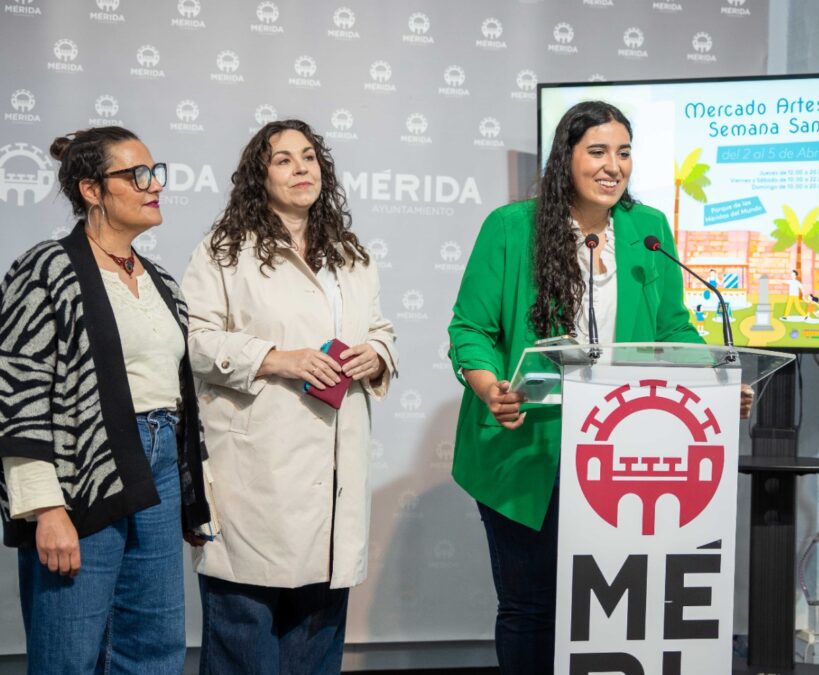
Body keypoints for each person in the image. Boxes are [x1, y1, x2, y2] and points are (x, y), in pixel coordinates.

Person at [447, 100, 751, 673]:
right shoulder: (511, 228)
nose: (614, 165)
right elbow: (471, 329)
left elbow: (671, 329)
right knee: (531, 606)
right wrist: (490, 387)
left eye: (624, 152)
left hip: (619, 451)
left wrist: (715, 381)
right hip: (526, 449)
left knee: (611, 610)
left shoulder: (648, 230)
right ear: (567, 159)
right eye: (598, 151)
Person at [0, 126, 212, 673]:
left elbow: (176, 395)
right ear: (92, 190)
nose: (154, 185)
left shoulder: (160, 280)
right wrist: (46, 508)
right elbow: (18, 394)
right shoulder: (44, 270)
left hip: (156, 471)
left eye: (156, 173)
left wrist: (190, 490)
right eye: (137, 175)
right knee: (71, 646)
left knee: (155, 645)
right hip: (83, 475)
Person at [181, 119, 398, 674]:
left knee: (316, 646)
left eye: (309, 156)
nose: (302, 168)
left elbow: (379, 327)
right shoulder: (225, 251)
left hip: (334, 476)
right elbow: (195, 340)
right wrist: (277, 358)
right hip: (257, 476)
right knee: (244, 642)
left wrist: (375, 354)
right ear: (259, 176)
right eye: (283, 159)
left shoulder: (350, 253)